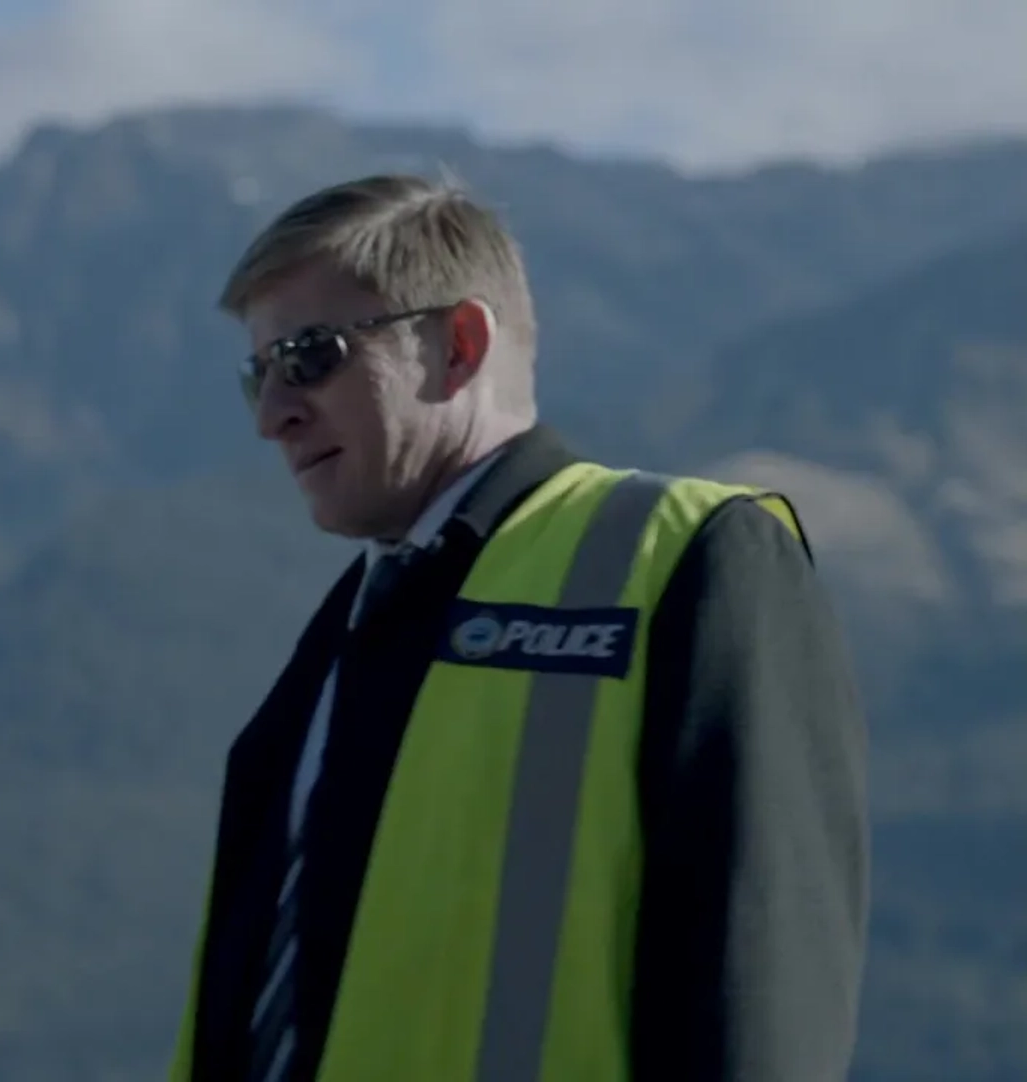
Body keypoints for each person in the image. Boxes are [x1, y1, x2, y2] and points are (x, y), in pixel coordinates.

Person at [166, 175, 870, 1081]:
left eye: (310, 356)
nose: (273, 415)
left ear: (458, 347)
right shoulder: (350, 622)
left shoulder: (688, 558)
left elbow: (763, 985)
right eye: (257, 374)